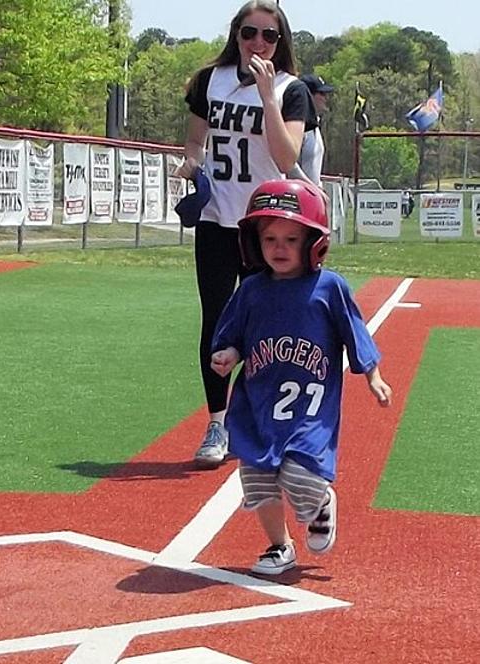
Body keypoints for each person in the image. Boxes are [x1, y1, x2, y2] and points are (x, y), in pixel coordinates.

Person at [210, 179, 392, 575]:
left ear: (314, 243)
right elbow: (234, 335)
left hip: (309, 411)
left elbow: (354, 333)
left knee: (296, 474)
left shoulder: (329, 288)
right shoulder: (252, 290)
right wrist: (228, 353)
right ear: (253, 242)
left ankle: (319, 504)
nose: (278, 247)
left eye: (291, 239)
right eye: (269, 238)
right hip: (258, 406)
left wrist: (373, 375)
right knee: (256, 480)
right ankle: (280, 547)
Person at [174, 0, 316, 469]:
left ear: (281, 42)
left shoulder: (291, 90)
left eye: (268, 36)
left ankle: (262, 419)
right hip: (218, 219)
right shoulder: (208, 80)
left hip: (268, 224)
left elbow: (283, 155)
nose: (258, 43)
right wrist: (191, 163)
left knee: (270, 324)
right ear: (236, 34)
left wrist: (267, 95)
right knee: (216, 324)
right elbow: (196, 140)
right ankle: (217, 421)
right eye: (249, 33)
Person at [292, 73, 333, 187]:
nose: (326, 98)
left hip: (310, 194)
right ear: (308, 95)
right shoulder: (296, 125)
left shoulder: (314, 125)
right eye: (322, 93)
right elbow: (288, 165)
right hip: (296, 196)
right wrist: (312, 188)